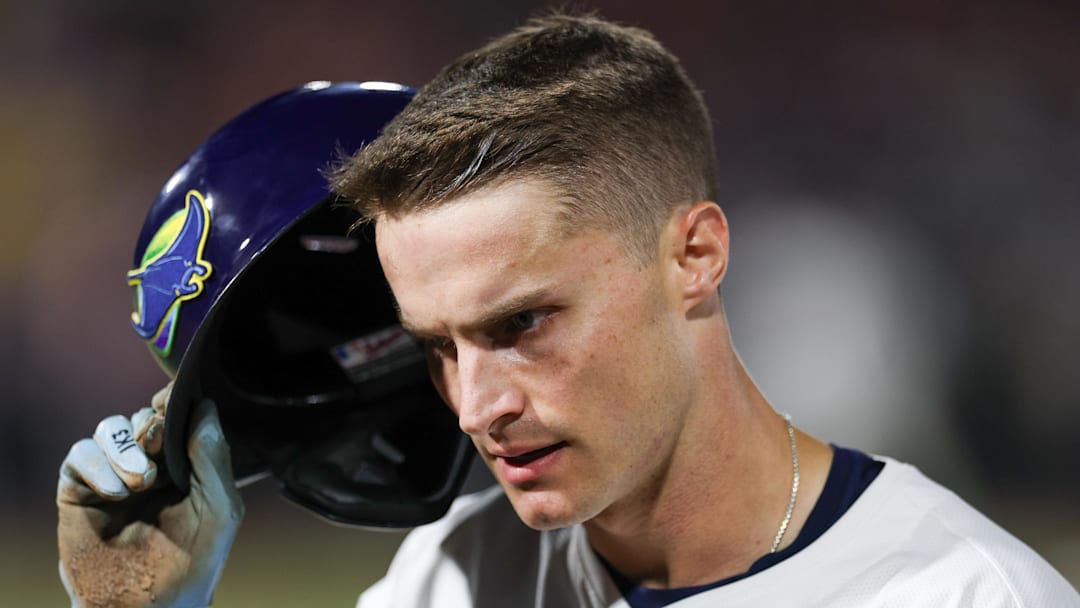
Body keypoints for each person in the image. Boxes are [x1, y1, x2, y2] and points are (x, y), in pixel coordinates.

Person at [59, 14, 1078, 608]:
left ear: (695, 256)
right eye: (438, 346)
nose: (477, 404)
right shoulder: (454, 577)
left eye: (521, 325)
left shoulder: (965, 593)